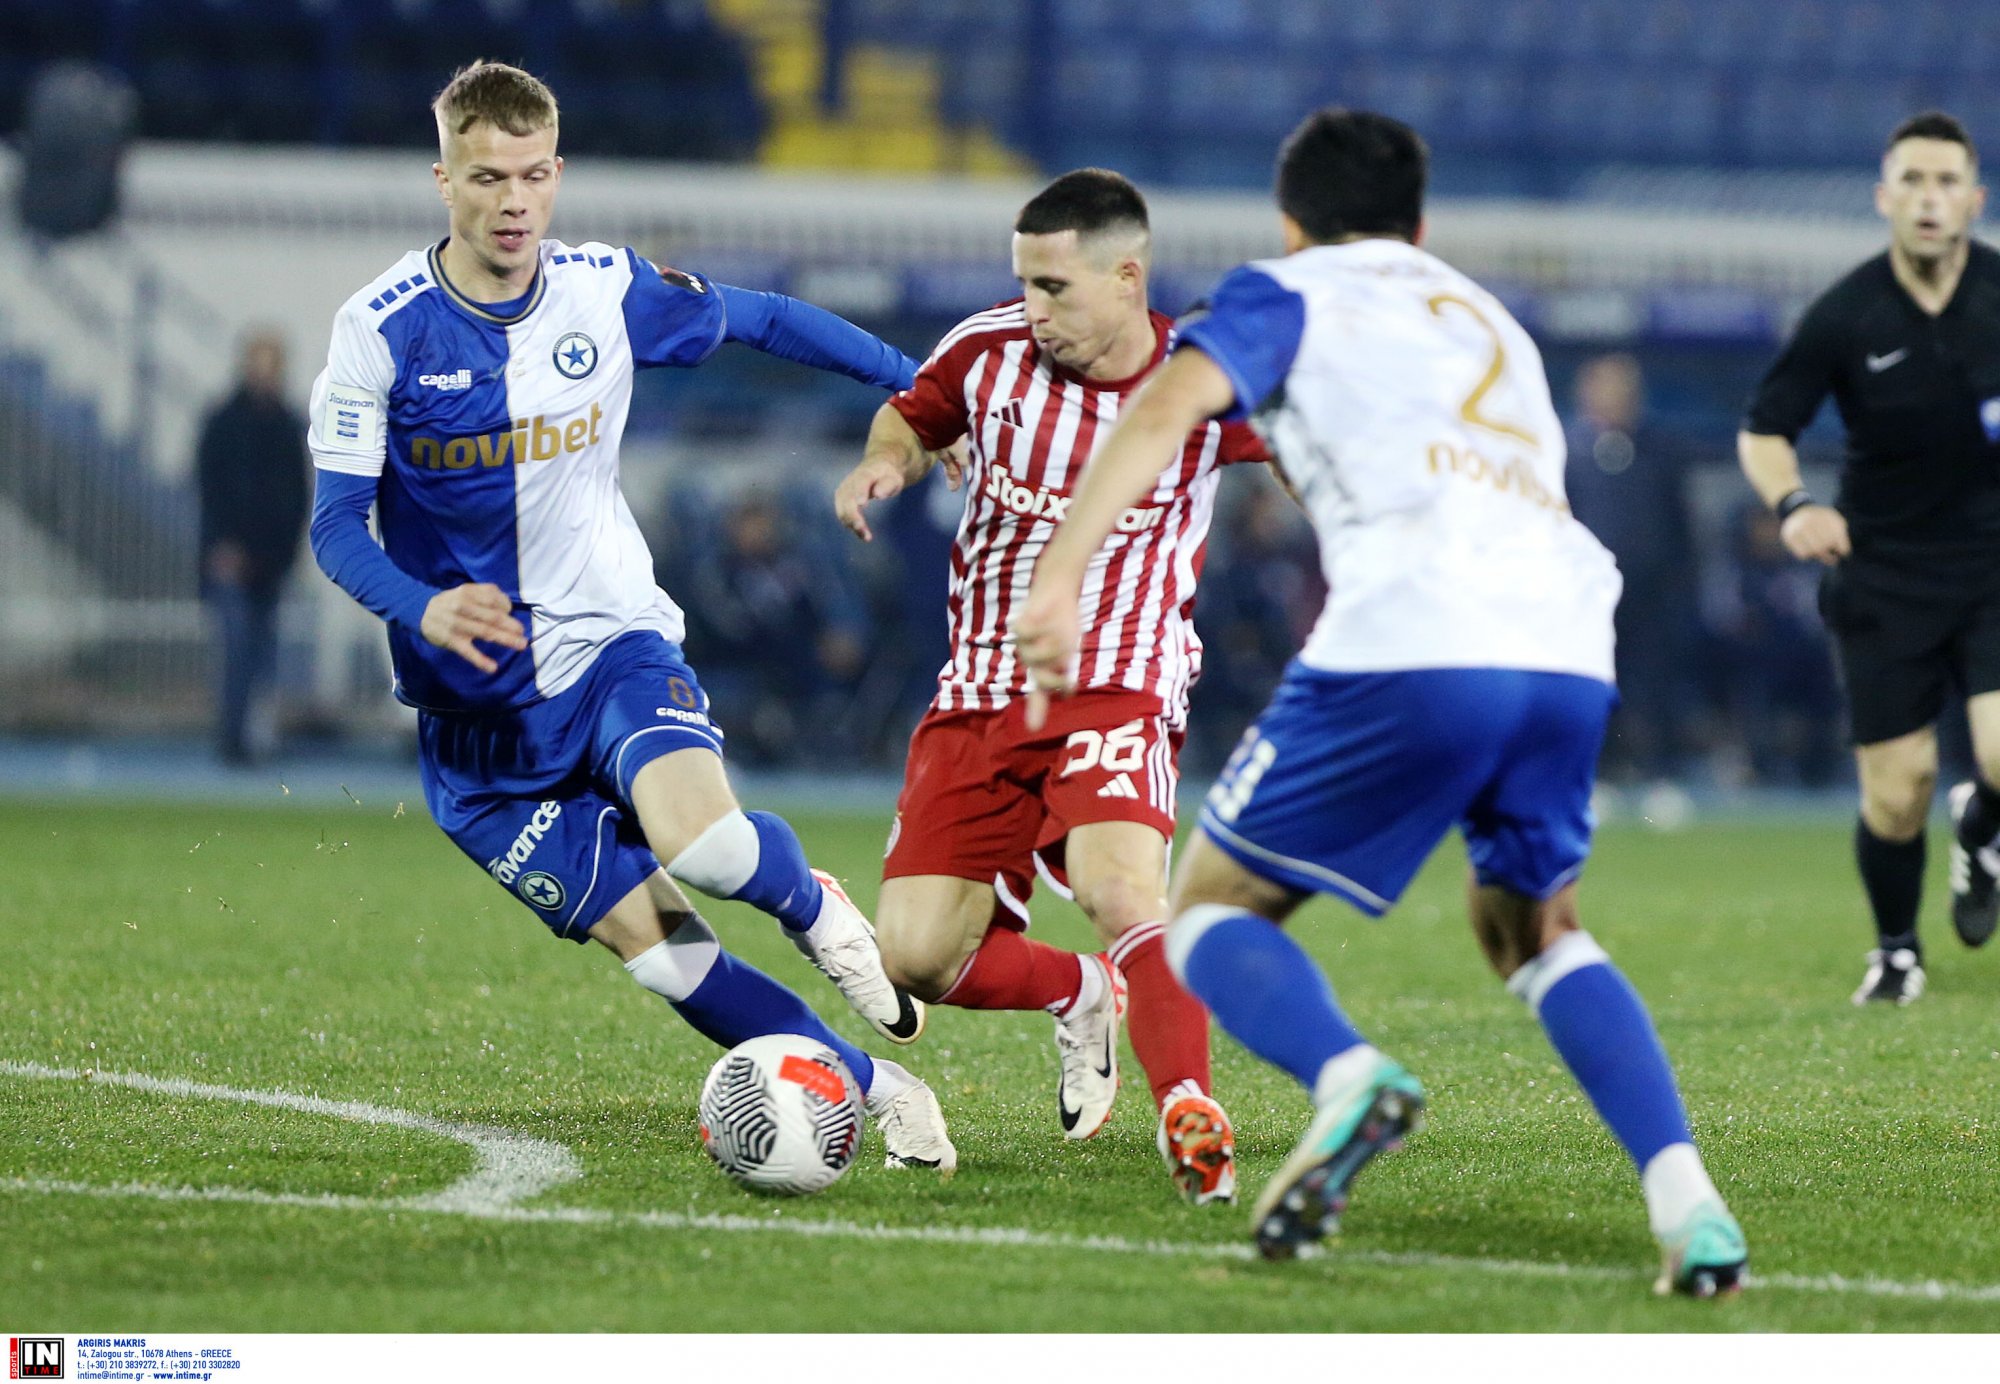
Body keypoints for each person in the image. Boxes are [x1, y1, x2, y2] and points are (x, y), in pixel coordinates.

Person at [1016, 108, 1748, 1296]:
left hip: (1416, 632)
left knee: (1204, 913)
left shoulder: (1287, 291)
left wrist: (1058, 577)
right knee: (1532, 928)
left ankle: (1348, 1076)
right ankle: (1689, 1205)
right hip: (1566, 643)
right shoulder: (1486, 318)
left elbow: (1164, 405)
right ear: (1416, 223)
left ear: (1289, 222)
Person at [305, 61, 951, 1170]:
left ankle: (808, 903)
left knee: (708, 846)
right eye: (487, 178)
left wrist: (924, 393)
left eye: (533, 176)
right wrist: (422, 605)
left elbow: (764, 319)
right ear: (444, 181)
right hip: (478, 735)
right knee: (667, 957)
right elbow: (333, 527)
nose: (514, 202)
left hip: (610, 647)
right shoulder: (380, 331)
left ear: (557, 174)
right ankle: (876, 1088)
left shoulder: (602, 289)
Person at [832, 169, 1269, 1204]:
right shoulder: (985, 352)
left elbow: (1306, 453)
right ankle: (1082, 990)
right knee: (916, 960)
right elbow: (911, 415)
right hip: (984, 687)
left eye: (1054, 288)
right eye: (1024, 282)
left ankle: (1188, 1109)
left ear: (1127, 278)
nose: (1032, 308)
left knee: (1121, 888)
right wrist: (883, 463)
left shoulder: (1198, 383)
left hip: (1121, 679)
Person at [1741, 110, 2000, 1006]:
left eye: (1946, 182)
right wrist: (1796, 504)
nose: (1929, 199)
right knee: (1900, 791)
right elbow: (1764, 430)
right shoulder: (1846, 313)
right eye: (1912, 181)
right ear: (1884, 197)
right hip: (1885, 574)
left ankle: (1984, 829)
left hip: (1994, 566)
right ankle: (1896, 953)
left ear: (1974, 199)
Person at [1564, 352, 1698, 790]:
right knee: (1594, 684)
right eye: (1605, 387)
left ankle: (1661, 775)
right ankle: (1599, 774)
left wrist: (1684, 582)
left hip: (1652, 591)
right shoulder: (1568, 451)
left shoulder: (1662, 448)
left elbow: (1680, 523)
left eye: (1623, 389)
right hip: (1588, 594)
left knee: (1657, 685)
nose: (1615, 397)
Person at [196, 329, 310, 765]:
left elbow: (296, 495)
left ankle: (254, 735)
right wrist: (223, 546)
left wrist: (286, 553)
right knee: (237, 650)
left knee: (263, 656)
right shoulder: (224, 422)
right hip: (230, 559)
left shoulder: (287, 425)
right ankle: (232, 738)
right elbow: (211, 489)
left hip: (270, 562)